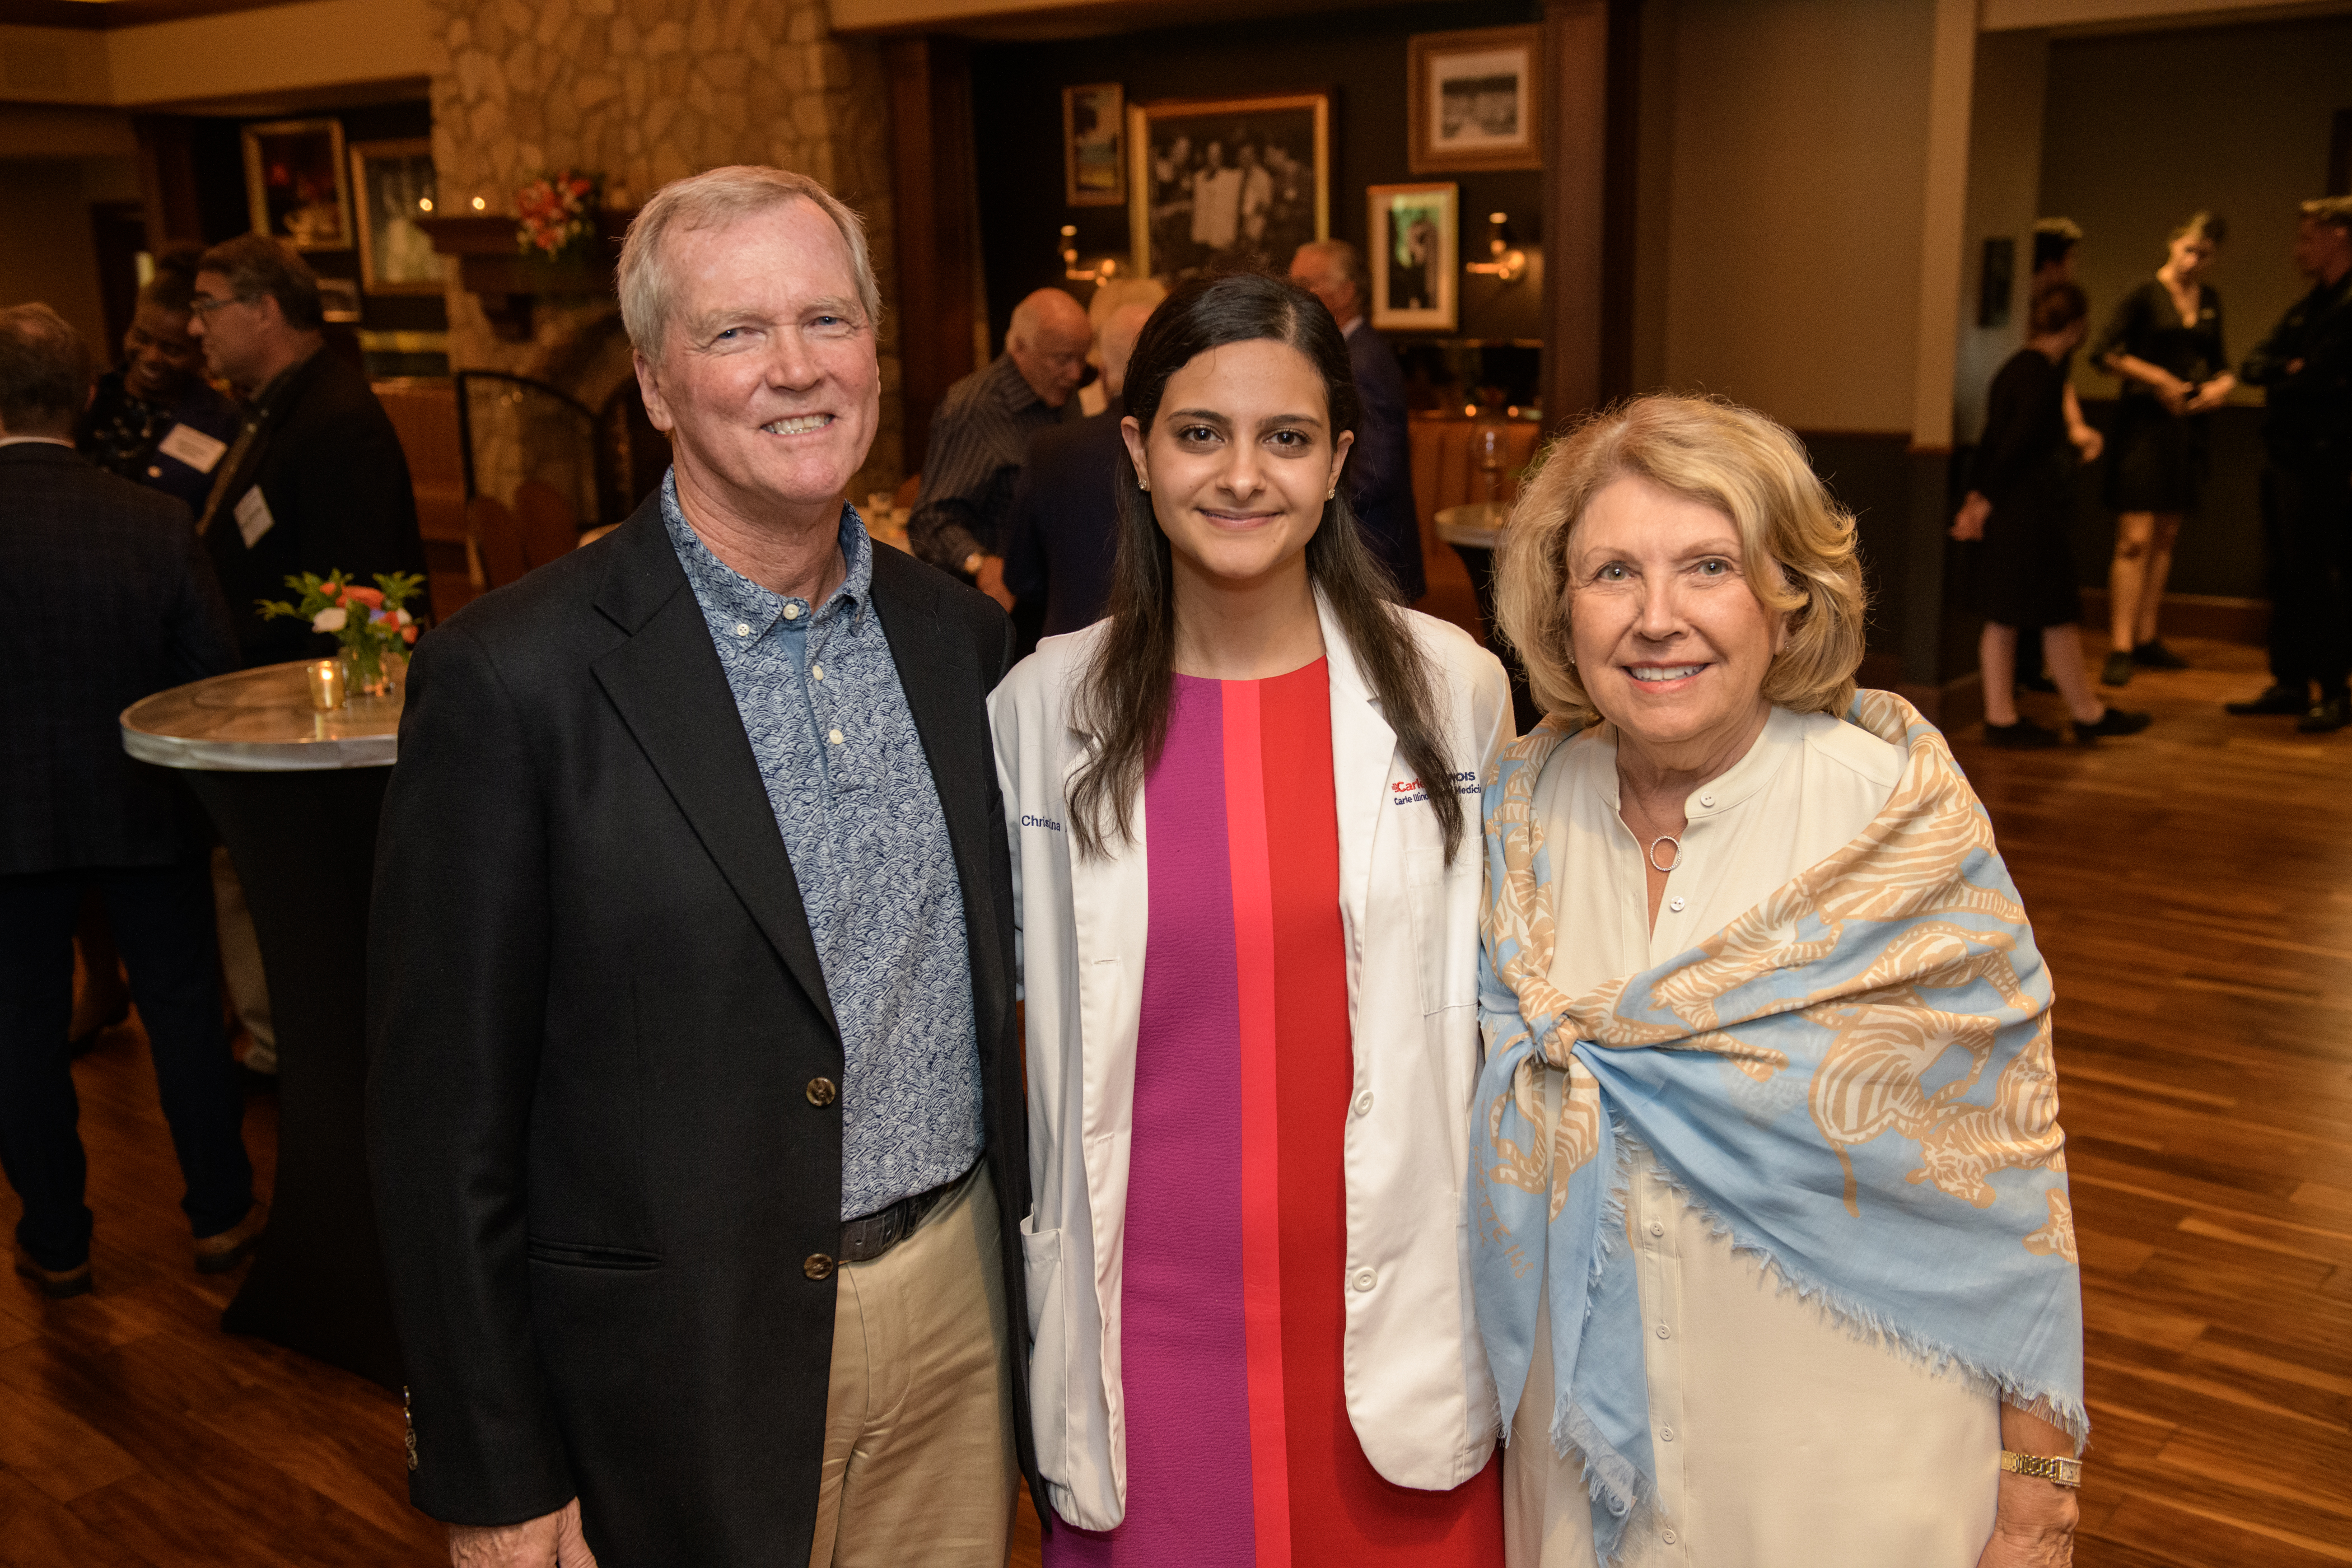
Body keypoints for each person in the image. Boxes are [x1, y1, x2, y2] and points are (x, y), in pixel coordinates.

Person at [367, 165, 1033, 1568]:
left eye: (827, 320)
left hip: (958, 1316)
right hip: (676, 1366)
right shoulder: (512, 679)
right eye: (735, 334)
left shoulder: (958, 646)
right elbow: (444, 1124)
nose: (795, 369)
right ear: (658, 385)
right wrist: (494, 1467)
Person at [1479, 395, 2087, 1567]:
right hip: (1584, 1465)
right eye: (1614, 571)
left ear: (1785, 593)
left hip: (1852, 1471)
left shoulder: (1889, 821)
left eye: (1708, 565)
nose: (1659, 618)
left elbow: (2019, 1178)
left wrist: (2039, 1494)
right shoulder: (1515, 817)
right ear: (1562, 605)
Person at [992, 272, 1513, 1564]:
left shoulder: (1455, 693)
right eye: (1198, 432)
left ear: (1339, 460)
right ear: (1137, 449)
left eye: (1286, 437)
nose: (1242, 475)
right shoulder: (1040, 712)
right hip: (1144, 1344)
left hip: (1391, 1339)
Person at [0, 302, 263, 1300]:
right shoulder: (153, 522)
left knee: (18, 1035)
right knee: (188, 1018)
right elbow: (211, 679)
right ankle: (221, 1217)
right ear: (82, 396)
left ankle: (57, 1237)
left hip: (6, 826)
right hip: (143, 811)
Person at [186, 234, 429, 668]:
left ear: (264, 310)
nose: (195, 327)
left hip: (300, 696)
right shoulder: (280, 402)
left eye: (207, 306)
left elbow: (356, 596)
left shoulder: (336, 418)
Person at [1952, 283, 2151, 746]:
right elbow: (2016, 446)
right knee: (2056, 614)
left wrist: (1977, 497)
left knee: (2003, 617)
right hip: (2030, 513)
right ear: (2077, 328)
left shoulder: (2012, 370)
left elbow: (1992, 441)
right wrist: (1986, 498)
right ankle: (2084, 714)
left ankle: (2007, 716)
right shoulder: (2043, 377)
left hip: (2009, 510)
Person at [2091, 211, 2233, 685]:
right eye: (2189, 249)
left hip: (2187, 431)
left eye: (2205, 255)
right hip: (2143, 428)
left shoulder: (2210, 300)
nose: (2194, 261)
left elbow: (2223, 365)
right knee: (2134, 537)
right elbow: (2104, 353)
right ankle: (2121, 642)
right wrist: (2158, 379)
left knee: (2167, 534)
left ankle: (2149, 635)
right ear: (2174, 243)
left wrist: (2221, 388)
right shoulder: (2144, 293)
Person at [2229, 195, 2352, 732]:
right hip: (2287, 457)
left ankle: (2333, 688)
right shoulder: (2308, 307)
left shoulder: (2348, 306)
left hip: (2327, 462)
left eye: (2308, 238)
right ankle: (2291, 681)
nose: (2299, 249)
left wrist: (2289, 375)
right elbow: (2255, 363)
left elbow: (2321, 377)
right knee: (2285, 572)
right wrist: (2288, 368)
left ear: (2340, 237)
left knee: (2320, 576)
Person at [908, 287, 1090, 612]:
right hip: (995, 612)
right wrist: (979, 562)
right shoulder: (972, 408)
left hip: (1059, 604)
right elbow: (929, 521)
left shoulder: (1064, 396)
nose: (1075, 374)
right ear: (1020, 346)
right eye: (1063, 360)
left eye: (1081, 359)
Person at [1004, 301, 1155, 638]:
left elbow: (1019, 577)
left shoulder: (1052, 449)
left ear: (1102, 374)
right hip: (1173, 653)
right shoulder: (1196, 449)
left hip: (1068, 659)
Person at [1291, 239, 1426, 601]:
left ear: (1346, 292)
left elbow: (1376, 471)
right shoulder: (1347, 353)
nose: (1293, 296)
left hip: (1371, 556)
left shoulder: (1362, 362)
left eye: (1305, 285)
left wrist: (1304, 503)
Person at [77, 243, 241, 519]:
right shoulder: (85, 396)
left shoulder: (224, 424)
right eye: (141, 337)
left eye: (172, 349)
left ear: (202, 350)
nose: (152, 357)